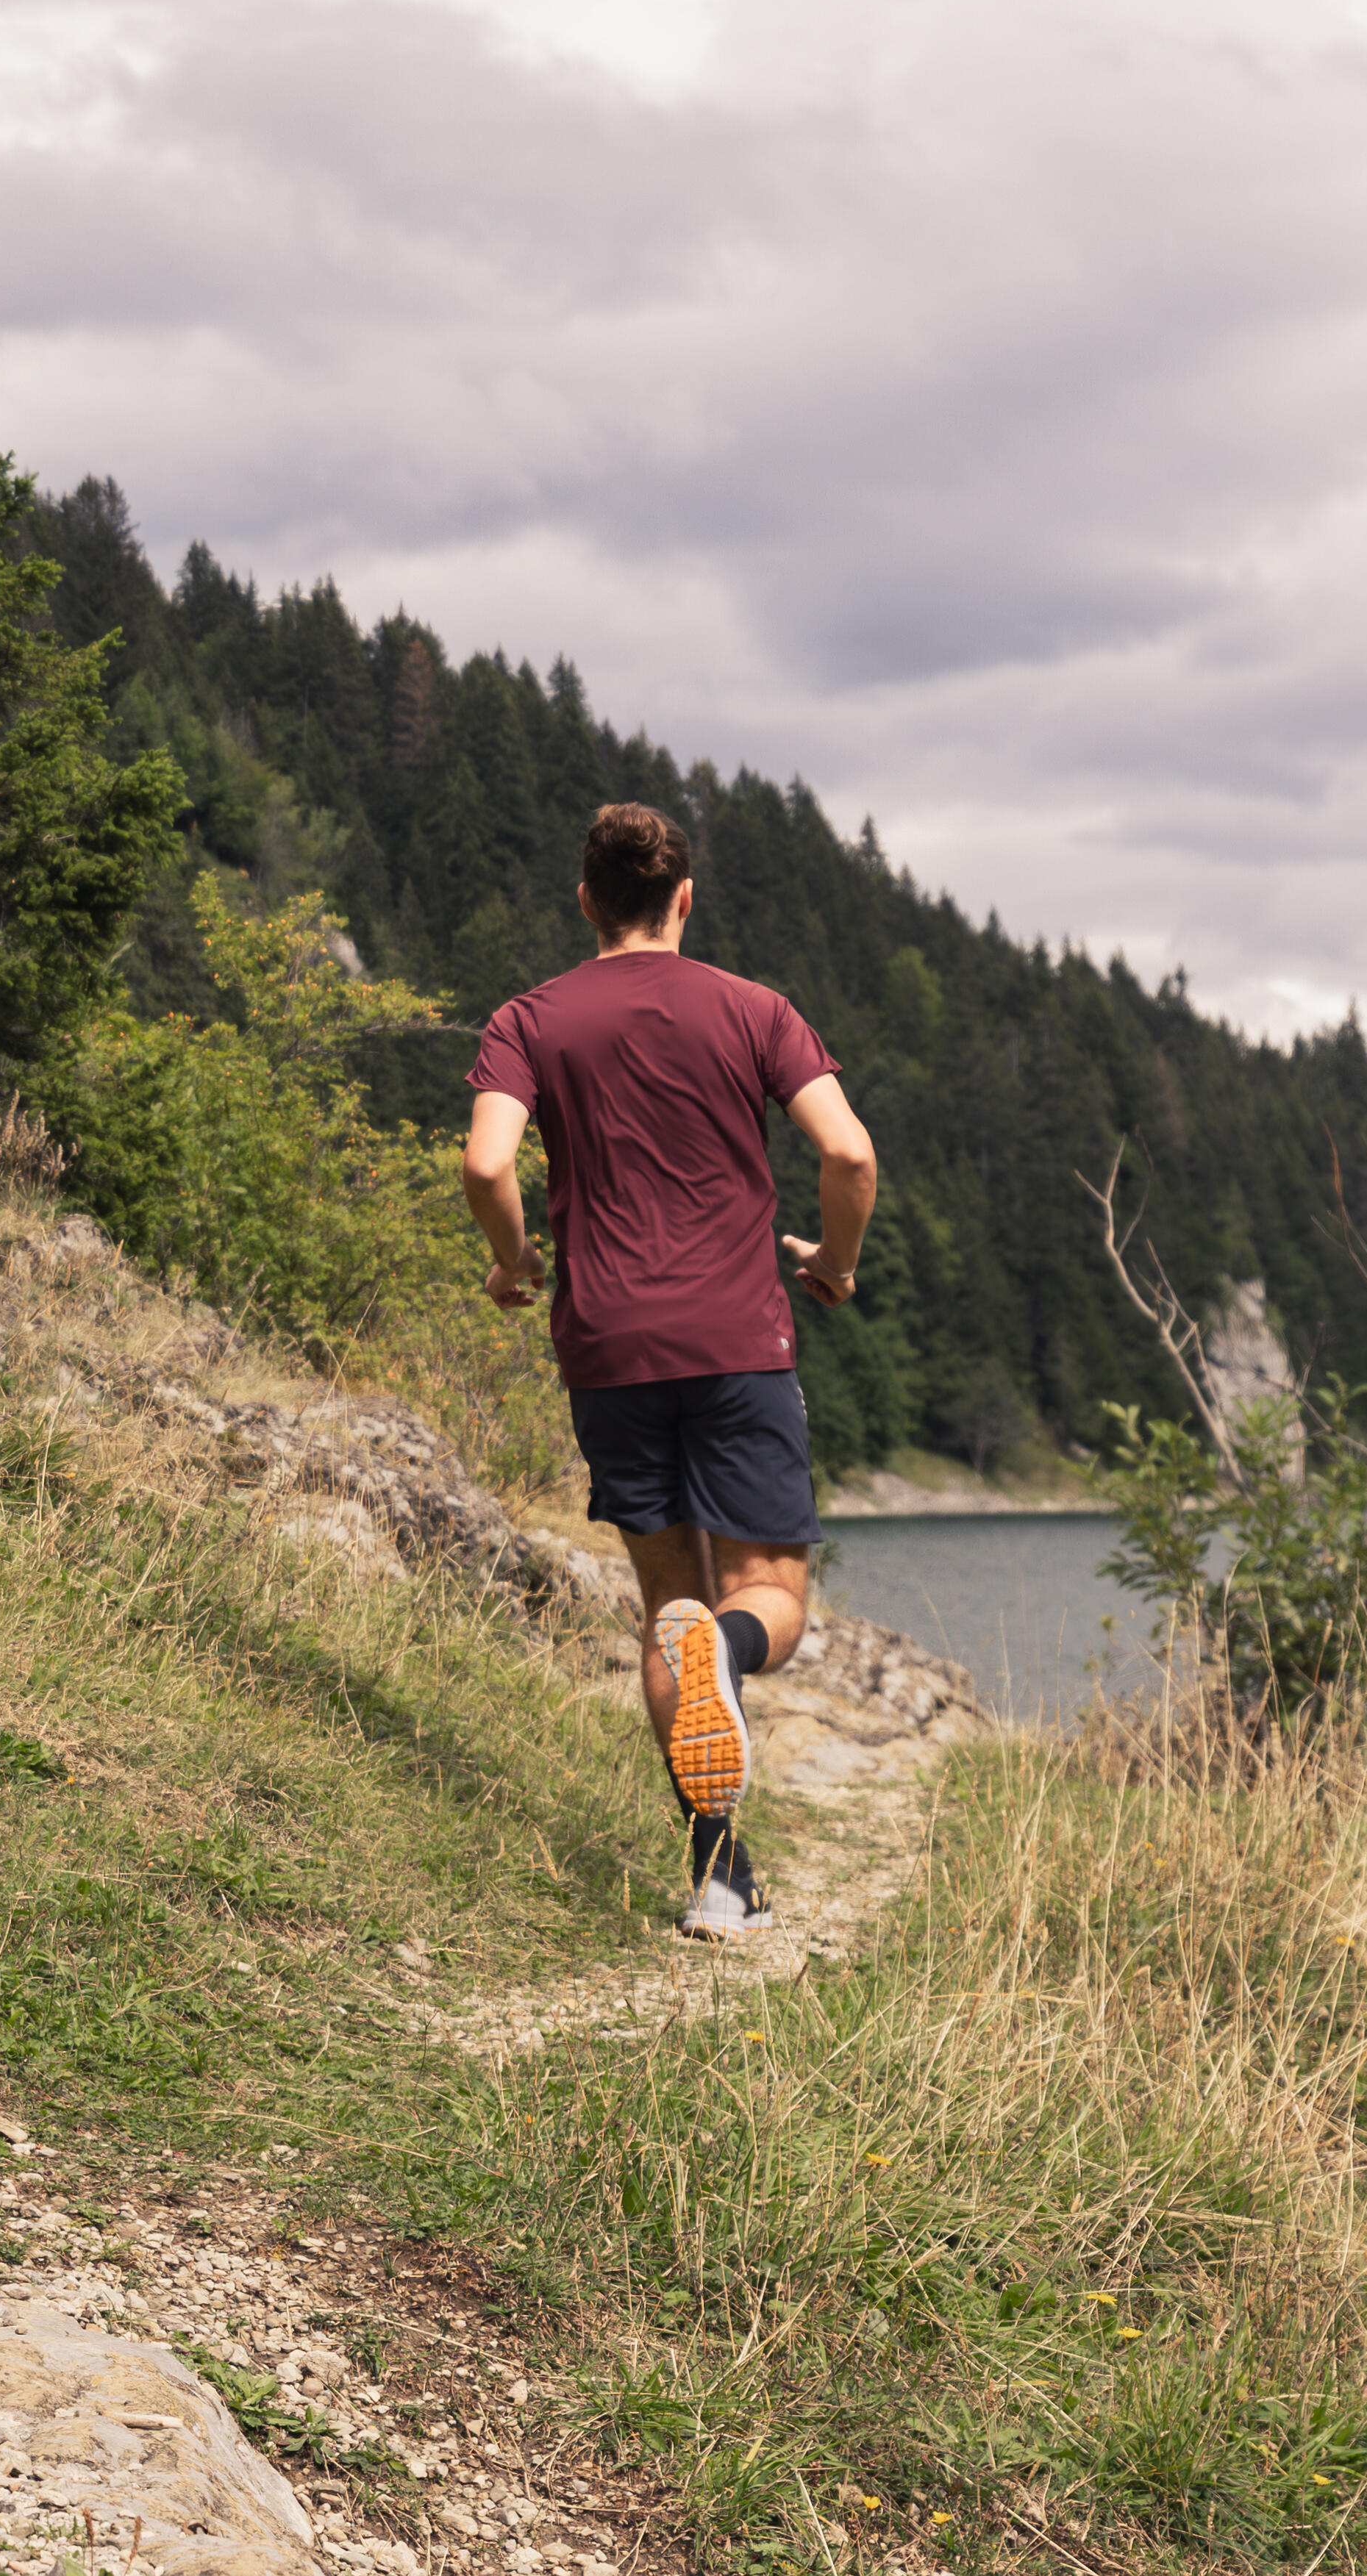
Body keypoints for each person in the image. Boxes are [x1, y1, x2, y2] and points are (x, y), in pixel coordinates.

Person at [456, 800, 877, 1937]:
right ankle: (731, 1656)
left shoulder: (528, 1019)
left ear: (587, 900)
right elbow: (846, 1149)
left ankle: (718, 1877)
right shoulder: (753, 1009)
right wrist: (831, 1262)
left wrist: (512, 1263)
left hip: (605, 1343)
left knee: (666, 1607)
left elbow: (486, 1160)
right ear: (683, 898)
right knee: (764, 1597)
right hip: (738, 1337)